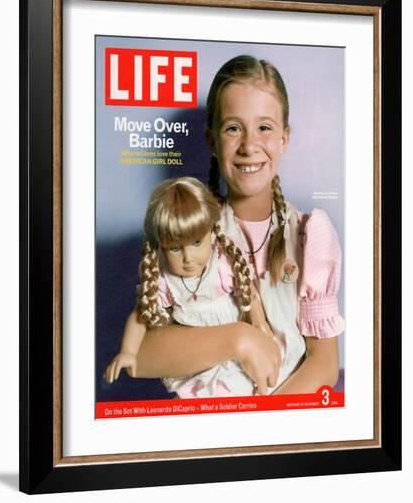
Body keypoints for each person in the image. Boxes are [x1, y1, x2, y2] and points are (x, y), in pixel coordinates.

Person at [111, 54, 344, 396]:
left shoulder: (309, 237)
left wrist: (261, 428)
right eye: (234, 128)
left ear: (284, 138)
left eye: (264, 127)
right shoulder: (190, 232)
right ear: (212, 142)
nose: (250, 146)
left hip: (282, 430)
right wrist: (239, 339)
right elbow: (141, 356)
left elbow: (324, 365)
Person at [104, 177, 276, 397]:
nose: (188, 258)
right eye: (175, 248)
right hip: (193, 361)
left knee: (242, 391)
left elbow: (249, 293)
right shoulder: (165, 279)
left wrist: (260, 323)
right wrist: (128, 351)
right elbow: (140, 317)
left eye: (197, 243)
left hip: (232, 359)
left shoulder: (221, 264)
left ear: (211, 233)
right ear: (161, 247)